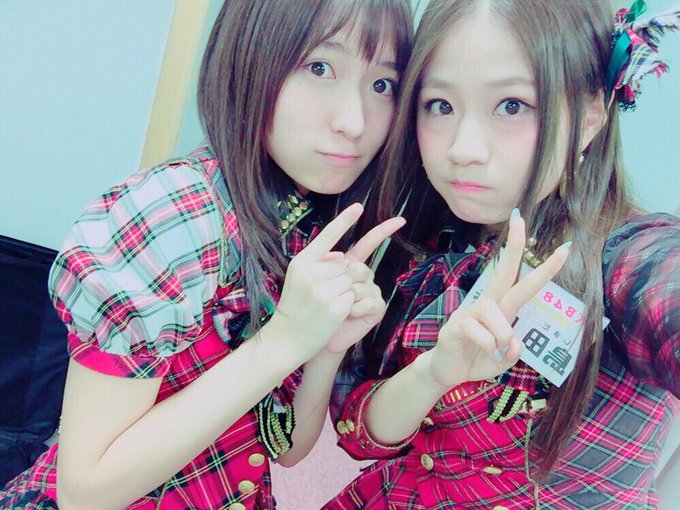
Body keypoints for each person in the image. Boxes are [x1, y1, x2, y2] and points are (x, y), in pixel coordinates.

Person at [0, 1, 413, 508]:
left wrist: (326, 347)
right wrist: (281, 340)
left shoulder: (305, 225)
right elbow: (85, 493)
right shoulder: (174, 215)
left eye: (381, 84)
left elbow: (287, 449)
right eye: (320, 67)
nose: (354, 121)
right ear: (248, 59)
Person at [325, 0, 680, 508]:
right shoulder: (429, 239)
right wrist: (429, 376)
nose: (463, 149)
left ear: (589, 119)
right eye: (440, 106)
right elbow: (359, 434)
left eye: (512, 105)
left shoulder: (626, 258)